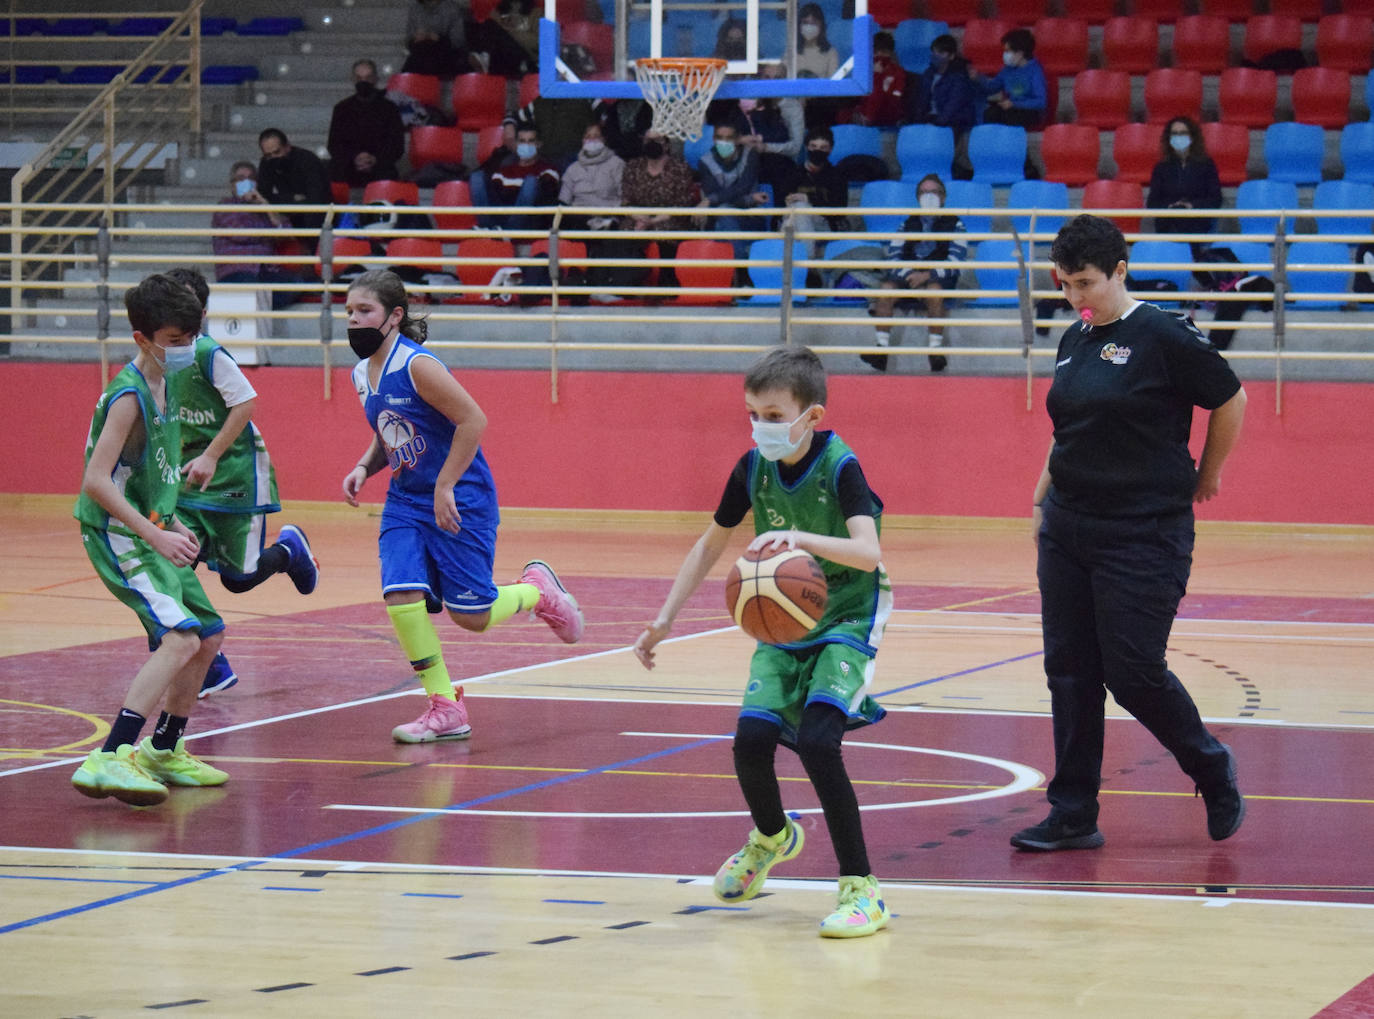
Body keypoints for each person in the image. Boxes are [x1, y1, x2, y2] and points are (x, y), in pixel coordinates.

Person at [632, 345, 890, 939]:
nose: (761, 426)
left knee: (821, 742)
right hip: (784, 619)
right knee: (751, 739)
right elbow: (710, 543)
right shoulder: (751, 468)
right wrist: (665, 619)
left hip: (848, 613)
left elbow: (869, 552)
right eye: (754, 414)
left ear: (812, 416)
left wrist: (797, 536)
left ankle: (862, 889)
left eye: (774, 416)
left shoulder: (841, 467)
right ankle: (774, 837)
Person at [1013, 214, 1248, 853]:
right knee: (1069, 671)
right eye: (1063, 285)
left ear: (1120, 270)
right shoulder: (1075, 337)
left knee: (1134, 669)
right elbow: (1070, 429)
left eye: (1084, 283)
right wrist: (1041, 504)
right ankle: (1073, 813)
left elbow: (1231, 399)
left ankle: (1210, 765)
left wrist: (1208, 473)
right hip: (1068, 525)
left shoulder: (1162, 334)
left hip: (1143, 532)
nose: (1073, 297)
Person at [340, 270, 584, 742]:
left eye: (363, 311)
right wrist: (364, 465)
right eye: (348, 311)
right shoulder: (359, 371)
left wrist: (446, 484)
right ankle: (444, 705)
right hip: (406, 500)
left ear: (394, 316)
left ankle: (536, 591)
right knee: (400, 595)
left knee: (472, 616)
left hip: (460, 497)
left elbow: (474, 419)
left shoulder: (417, 365)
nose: (353, 320)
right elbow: (391, 427)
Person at [70, 274, 232, 807]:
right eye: (175, 340)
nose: (187, 348)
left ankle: (164, 749)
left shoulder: (170, 380)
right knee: (180, 639)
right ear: (143, 339)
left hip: (150, 525)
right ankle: (111, 756)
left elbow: (150, 470)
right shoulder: (128, 396)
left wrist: (173, 523)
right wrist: (153, 536)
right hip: (117, 533)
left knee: (207, 635)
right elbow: (96, 480)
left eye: (192, 336)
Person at [162, 268, 319, 698]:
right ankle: (208, 664)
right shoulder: (156, 357)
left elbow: (247, 402)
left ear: (203, 314)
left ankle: (288, 552)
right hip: (186, 482)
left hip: (234, 475)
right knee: (172, 572)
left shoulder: (209, 354)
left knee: (239, 579)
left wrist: (211, 455)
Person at [861, 174, 967, 374]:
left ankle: (935, 351)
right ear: (917, 197)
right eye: (924, 192)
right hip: (906, 278)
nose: (929, 197)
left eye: (934, 192)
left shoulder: (956, 224)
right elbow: (893, 258)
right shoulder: (906, 223)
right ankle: (881, 349)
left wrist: (927, 275)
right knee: (886, 289)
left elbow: (956, 262)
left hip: (938, 279)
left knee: (935, 291)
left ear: (943, 198)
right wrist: (910, 275)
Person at [210, 161, 302, 309]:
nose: (246, 182)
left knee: (297, 283)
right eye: (241, 179)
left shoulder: (265, 209)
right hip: (237, 271)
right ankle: (257, 311)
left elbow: (287, 232)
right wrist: (271, 234)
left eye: (251, 178)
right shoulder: (225, 206)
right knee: (251, 287)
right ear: (232, 185)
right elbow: (241, 235)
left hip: (266, 271)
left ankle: (256, 309)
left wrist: (266, 207)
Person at [907, 34, 980, 178]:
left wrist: (937, 124)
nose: (936, 55)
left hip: (954, 120)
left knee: (937, 142)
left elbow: (953, 105)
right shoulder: (928, 74)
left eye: (941, 52)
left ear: (951, 56)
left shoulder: (959, 77)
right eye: (934, 51)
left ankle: (956, 173)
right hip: (932, 117)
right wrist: (918, 121)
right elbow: (922, 101)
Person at [696, 121, 770, 262]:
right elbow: (716, 194)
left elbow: (743, 187)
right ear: (713, 139)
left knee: (721, 218)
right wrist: (749, 198)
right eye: (719, 137)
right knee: (722, 214)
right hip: (720, 216)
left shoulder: (751, 155)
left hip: (750, 216)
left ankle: (732, 275)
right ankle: (740, 268)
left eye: (729, 138)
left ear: (737, 140)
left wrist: (710, 199)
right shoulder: (705, 161)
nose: (723, 142)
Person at [328, 59, 407, 189]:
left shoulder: (390, 108)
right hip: (348, 166)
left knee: (387, 175)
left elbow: (397, 145)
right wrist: (355, 158)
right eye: (359, 78)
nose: (363, 82)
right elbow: (333, 144)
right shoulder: (341, 108)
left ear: (376, 79)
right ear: (353, 79)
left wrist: (374, 159)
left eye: (368, 77)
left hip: (381, 165)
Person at [468, 123, 560, 231]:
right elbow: (496, 200)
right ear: (516, 144)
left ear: (539, 144)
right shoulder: (503, 171)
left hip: (528, 222)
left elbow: (544, 197)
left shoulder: (548, 170)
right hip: (500, 218)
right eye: (522, 141)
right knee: (477, 177)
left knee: (531, 182)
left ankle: (507, 232)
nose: (526, 145)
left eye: (530, 141)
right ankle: (486, 228)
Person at [256, 128, 332, 253]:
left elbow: (317, 197)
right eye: (268, 155)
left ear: (287, 147)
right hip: (289, 212)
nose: (273, 158)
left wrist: (287, 201)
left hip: (316, 215)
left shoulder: (307, 160)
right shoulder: (266, 163)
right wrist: (292, 198)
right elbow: (264, 194)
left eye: (277, 152)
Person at [1146, 117, 1223, 238]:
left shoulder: (1207, 165)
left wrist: (1192, 206)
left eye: (1183, 133)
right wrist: (1170, 206)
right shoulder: (1161, 167)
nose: (1178, 137)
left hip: (1197, 224)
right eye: (1174, 133)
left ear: (1192, 137)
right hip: (1168, 225)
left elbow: (1215, 199)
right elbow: (1152, 203)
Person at [779, 127, 851, 256]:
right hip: (793, 219)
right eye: (813, 146)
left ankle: (798, 264)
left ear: (830, 149)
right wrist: (788, 201)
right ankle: (805, 261)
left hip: (825, 224)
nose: (818, 151)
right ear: (807, 147)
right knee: (793, 216)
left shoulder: (837, 175)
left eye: (823, 148)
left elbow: (839, 212)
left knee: (798, 210)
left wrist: (810, 200)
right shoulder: (793, 173)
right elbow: (780, 205)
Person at [976, 28, 1047, 130]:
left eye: (1008, 51)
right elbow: (992, 87)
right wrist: (977, 78)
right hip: (1010, 107)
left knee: (1010, 118)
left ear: (1020, 53)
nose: (1005, 55)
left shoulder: (1035, 71)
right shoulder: (1007, 69)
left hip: (1029, 111)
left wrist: (1015, 104)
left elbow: (1040, 101)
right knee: (990, 114)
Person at [402, 0, 473, 77]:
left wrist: (437, 38)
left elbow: (458, 41)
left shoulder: (452, 9)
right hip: (420, 52)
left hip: (445, 55)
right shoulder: (415, 9)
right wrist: (417, 38)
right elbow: (409, 39)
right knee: (418, 58)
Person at [851, 30, 905, 128]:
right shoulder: (863, 70)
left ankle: (867, 120)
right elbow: (859, 98)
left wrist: (877, 76)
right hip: (865, 112)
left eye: (884, 52)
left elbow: (895, 99)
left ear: (891, 53)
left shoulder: (898, 72)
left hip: (888, 112)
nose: (879, 56)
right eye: (875, 52)